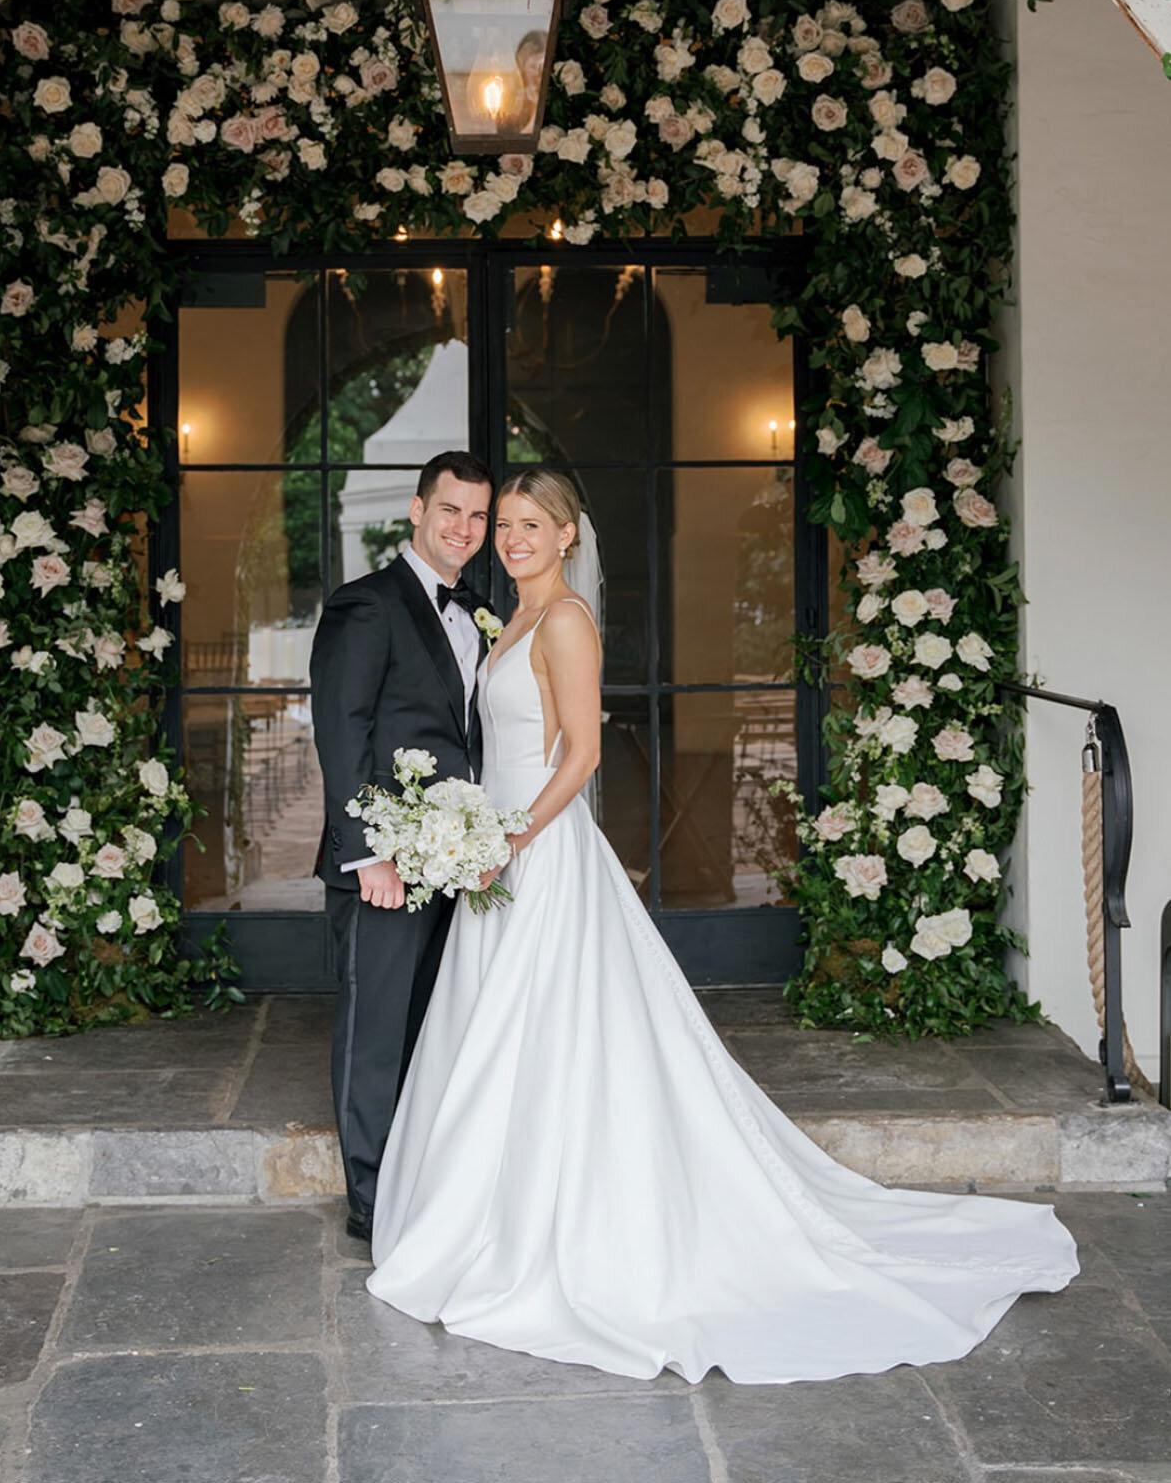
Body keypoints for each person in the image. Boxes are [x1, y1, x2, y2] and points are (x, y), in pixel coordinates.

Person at [366, 468, 1079, 1386]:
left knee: (546, 1035)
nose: (511, 536)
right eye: (504, 523)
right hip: (496, 858)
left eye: (530, 523)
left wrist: (508, 837)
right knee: (501, 1039)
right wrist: (474, 834)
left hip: (535, 856)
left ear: (570, 534)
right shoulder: (512, 621)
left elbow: (580, 755)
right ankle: (487, 1215)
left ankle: (547, 1228)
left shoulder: (568, 622)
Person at [310, 449, 495, 1245]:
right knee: (376, 1028)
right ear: (417, 511)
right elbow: (340, 733)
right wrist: (368, 854)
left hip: (453, 861)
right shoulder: (366, 605)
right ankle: (370, 1195)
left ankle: (417, 1176)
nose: (464, 527)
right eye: (449, 509)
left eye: (478, 516)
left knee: (429, 1024)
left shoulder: (481, 609)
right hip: (382, 864)